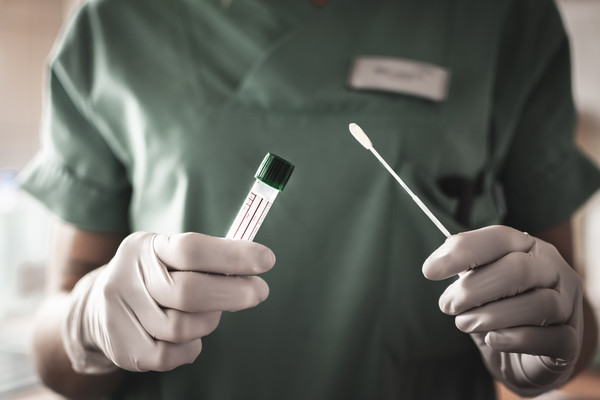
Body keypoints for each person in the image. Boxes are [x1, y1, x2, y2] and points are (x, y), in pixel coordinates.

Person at [18, 0, 600, 398]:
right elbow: (55, 352)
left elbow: (567, 300)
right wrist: (85, 323)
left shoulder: (503, 18)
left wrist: (556, 341)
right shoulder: (118, 22)